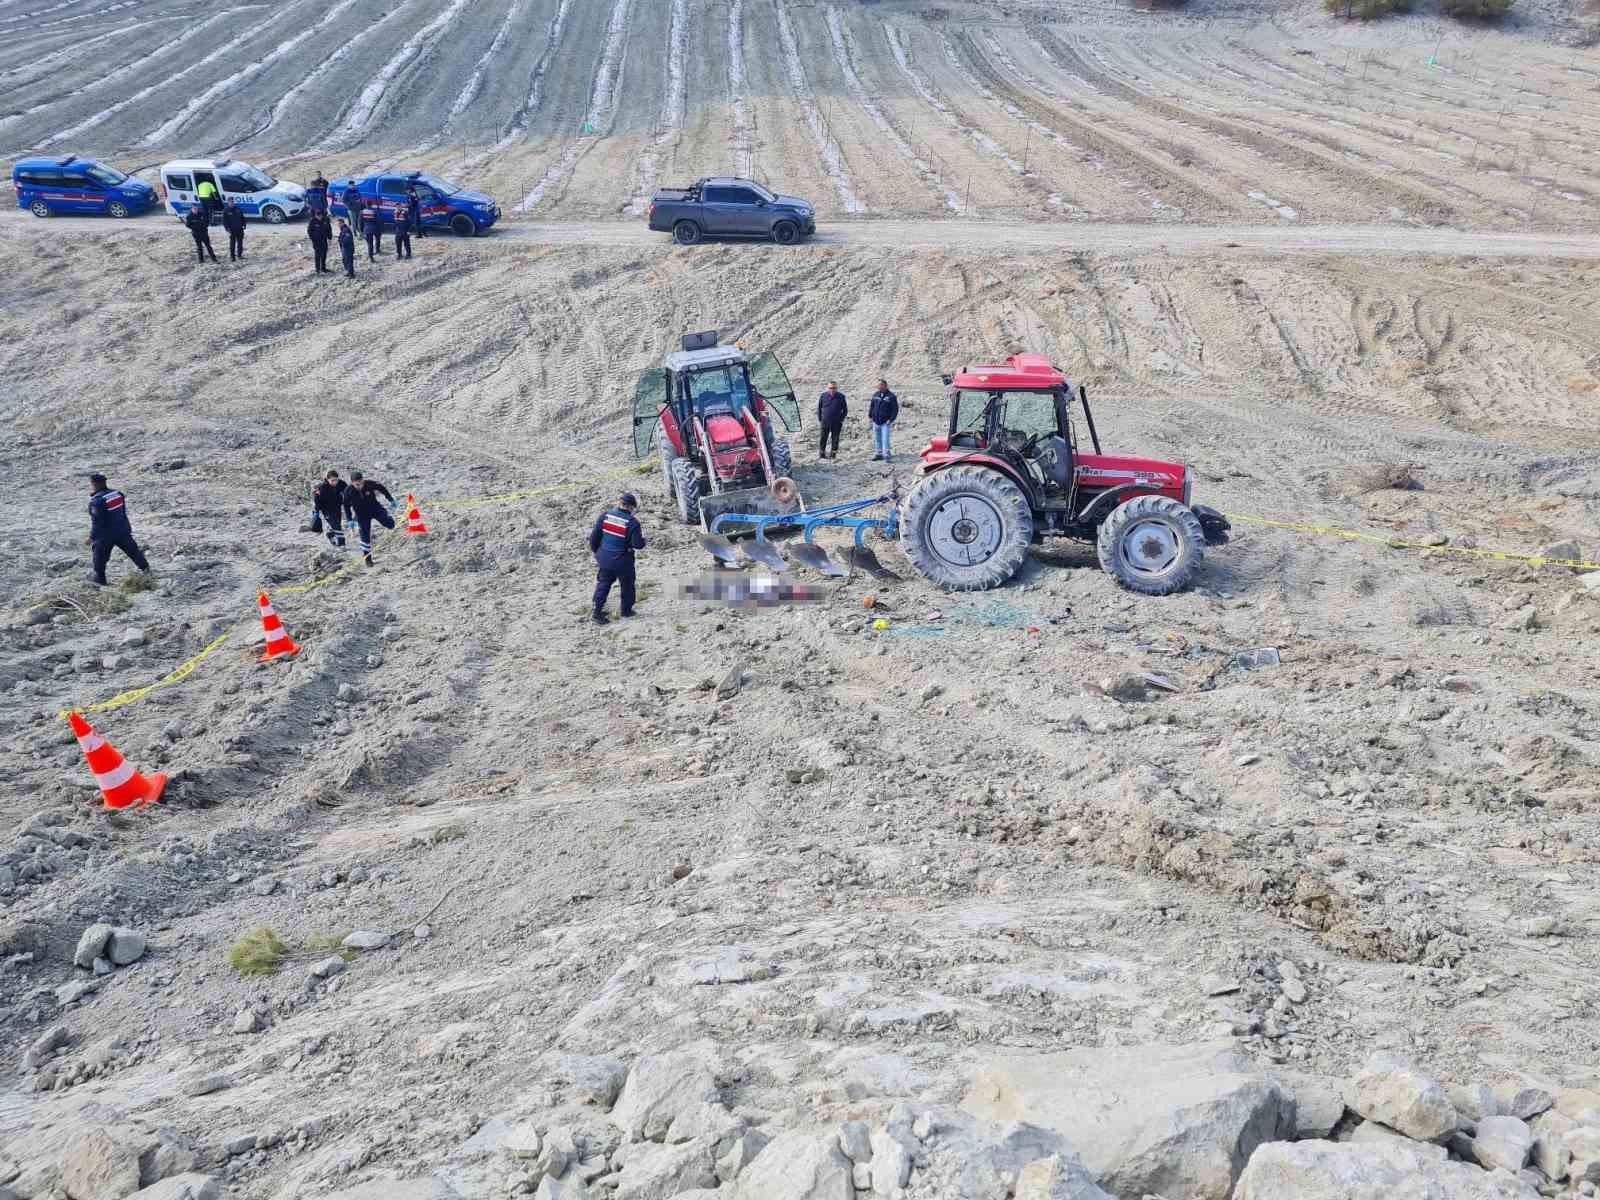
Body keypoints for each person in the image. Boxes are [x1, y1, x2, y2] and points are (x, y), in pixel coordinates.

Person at [588, 492, 645, 625]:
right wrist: (644, 541)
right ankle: (626, 610)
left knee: (603, 584)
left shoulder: (605, 516)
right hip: (623, 560)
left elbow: (594, 538)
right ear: (631, 507)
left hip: (605, 558)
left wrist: (598, 553)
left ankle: (597, 612)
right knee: (627, 585)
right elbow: (638, 544)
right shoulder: (632, 523)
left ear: (619, 503)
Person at [85, 473, 151, 586]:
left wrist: (91, 537)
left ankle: (100, 579)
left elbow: (97, 523)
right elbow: (122, 513)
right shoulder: (118, 494)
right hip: (122, 530)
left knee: (99, 557)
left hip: (105, 536)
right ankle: (146, 570)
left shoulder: (96, 501)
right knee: (134, 552)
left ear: (94, 484)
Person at [344, 471, 396, 566]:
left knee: (390, 524)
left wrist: (390, 499)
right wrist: (349, 519)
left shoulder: (369, 484)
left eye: (361, 483)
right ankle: (368, 559)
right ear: (352, 483)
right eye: (357, 484)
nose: (360, 486)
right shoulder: (348, 491)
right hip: (361, 515)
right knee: (365, 537)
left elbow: (382, 488)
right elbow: (346, 506)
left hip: (375, 509)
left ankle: (391, 522)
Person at [311, 470, 348, 548]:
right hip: (326, 510)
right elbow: (317, 499)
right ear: (327, 480)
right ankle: (342, 544)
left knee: (336, 524)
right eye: (332, 481)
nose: (335, 482)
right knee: (337, 526)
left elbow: (349, 492)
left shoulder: (342, 484)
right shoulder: (322, 488)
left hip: (337, 508)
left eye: (336, 480)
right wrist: (316, 511)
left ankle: (330, 534)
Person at [868, 378, 899, 463]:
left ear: (885, 386)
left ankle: (887, 455)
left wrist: (891, 419)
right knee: (877, 438)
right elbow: (872, 406)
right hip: (876, 421)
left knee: (885, 439)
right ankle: (879, 454)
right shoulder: (875, 394)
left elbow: (895, 409)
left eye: (881, 385)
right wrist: (870, 416)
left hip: (885, 422)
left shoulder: (891, 396)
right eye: (878, 385)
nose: (879, 386)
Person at [817, 381, 848, 459]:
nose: (832, 390)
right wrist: (820, 418)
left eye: (834, 388)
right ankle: (822, 453)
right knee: (823, 437)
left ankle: (833, 454)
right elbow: (819, 408)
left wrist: (841, 419)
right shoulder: (823, 396)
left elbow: (845, 410)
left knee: (835, 438)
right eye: (830, 388)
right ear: (828, 388)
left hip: (836, 422)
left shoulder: (841, 396)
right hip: (825, 421)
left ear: (836, 388)